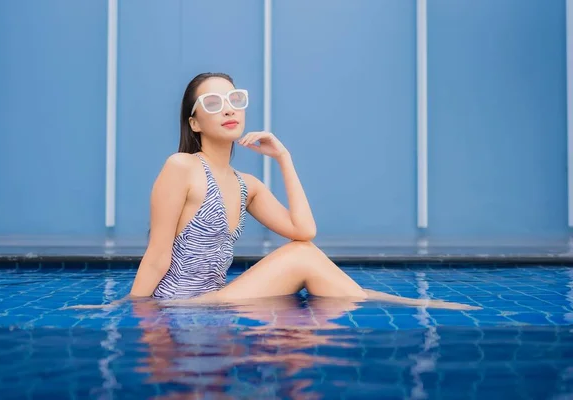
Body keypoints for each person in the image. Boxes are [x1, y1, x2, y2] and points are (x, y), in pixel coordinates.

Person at [126, 72, 479, 311]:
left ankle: (379, 298)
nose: (229, 108)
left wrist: (284, 158)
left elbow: (304, 230)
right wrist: (132, 310)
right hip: (181, 306)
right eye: (213, 103)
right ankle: (387, 300)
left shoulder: (247, 185)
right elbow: (158, 256)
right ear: (194, 122)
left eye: (234, 98)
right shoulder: (182, 167)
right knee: (303, 257)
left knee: (304, 251)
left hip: (216, 304)